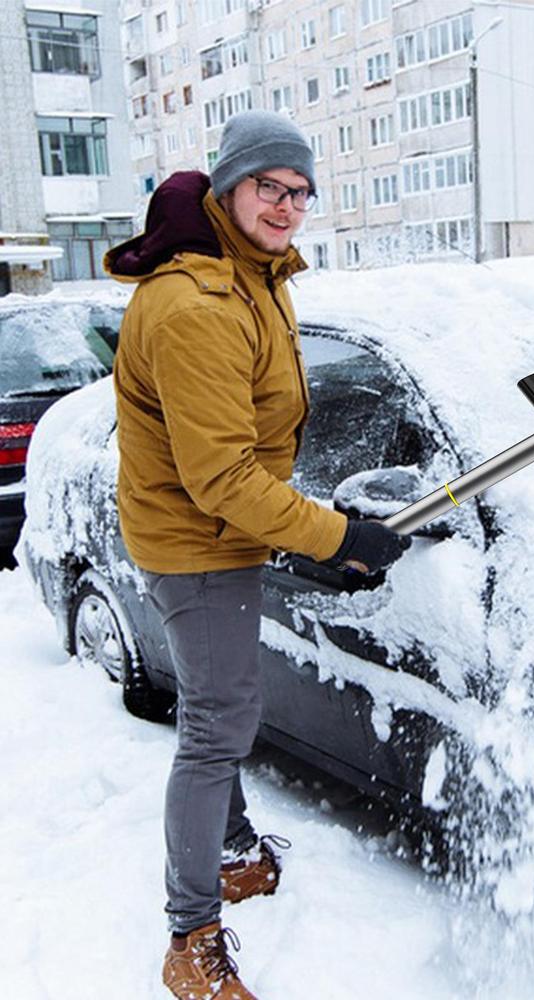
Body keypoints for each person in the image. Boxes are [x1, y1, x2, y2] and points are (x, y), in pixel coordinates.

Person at [106, 110, 410, 1000]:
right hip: (197, 542)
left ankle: (233, 853)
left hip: (214, 529)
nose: (286, 206)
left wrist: (306, 528)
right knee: (218, 727)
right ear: (229, 187)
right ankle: (190, 936)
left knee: (218, 705)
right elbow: (223, 477)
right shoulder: (197, 303)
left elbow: (252, 433)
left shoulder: (252, 273)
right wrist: (337, 535)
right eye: (269, 187)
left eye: (300, 192)